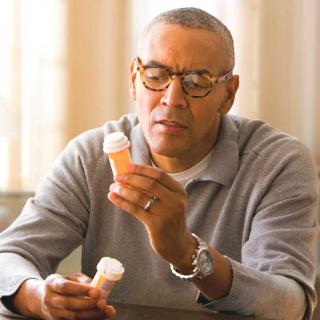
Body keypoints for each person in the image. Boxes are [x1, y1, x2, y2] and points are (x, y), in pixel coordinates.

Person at [0, 7, 318, 320]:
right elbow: (9, 257)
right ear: (134, 79)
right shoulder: (93, 156)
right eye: (156, 76)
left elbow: (290, 304)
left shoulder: (278, 163)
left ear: (228, 94)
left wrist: (187, 253)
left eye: (197, 82)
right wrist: (38, 297)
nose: (172, 98)